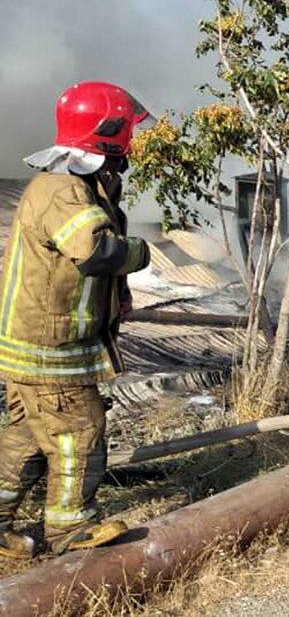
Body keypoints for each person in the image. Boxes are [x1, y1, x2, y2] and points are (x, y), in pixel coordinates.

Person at [0, 81, 153, 558]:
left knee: (29, 437)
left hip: (38, 343)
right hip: (49, 348)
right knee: (79, 431)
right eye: (126, 129)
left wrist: (118, 294)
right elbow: (95, 250)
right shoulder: (62, 189)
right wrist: (140, 255)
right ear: (110, 133)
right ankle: (69, 531)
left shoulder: (80, 184)